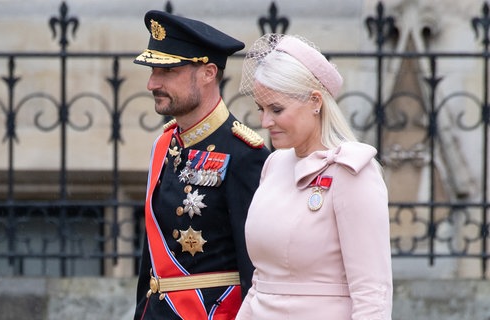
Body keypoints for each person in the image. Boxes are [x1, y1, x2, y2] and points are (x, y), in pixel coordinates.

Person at [235, 33, 393, 319]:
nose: (265, 122)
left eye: (277, 109)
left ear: (315, 101)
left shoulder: (353, 171)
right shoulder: (274, 164)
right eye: (261, 109)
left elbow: (372, 292)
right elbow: (261, 279)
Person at [132, 10, 271, 320]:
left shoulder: (246, 153)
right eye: (154, 70)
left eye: (167, 72)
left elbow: (256, 271)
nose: (152, 83)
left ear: (208, 73)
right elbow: (151, 265)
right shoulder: (164, 146)